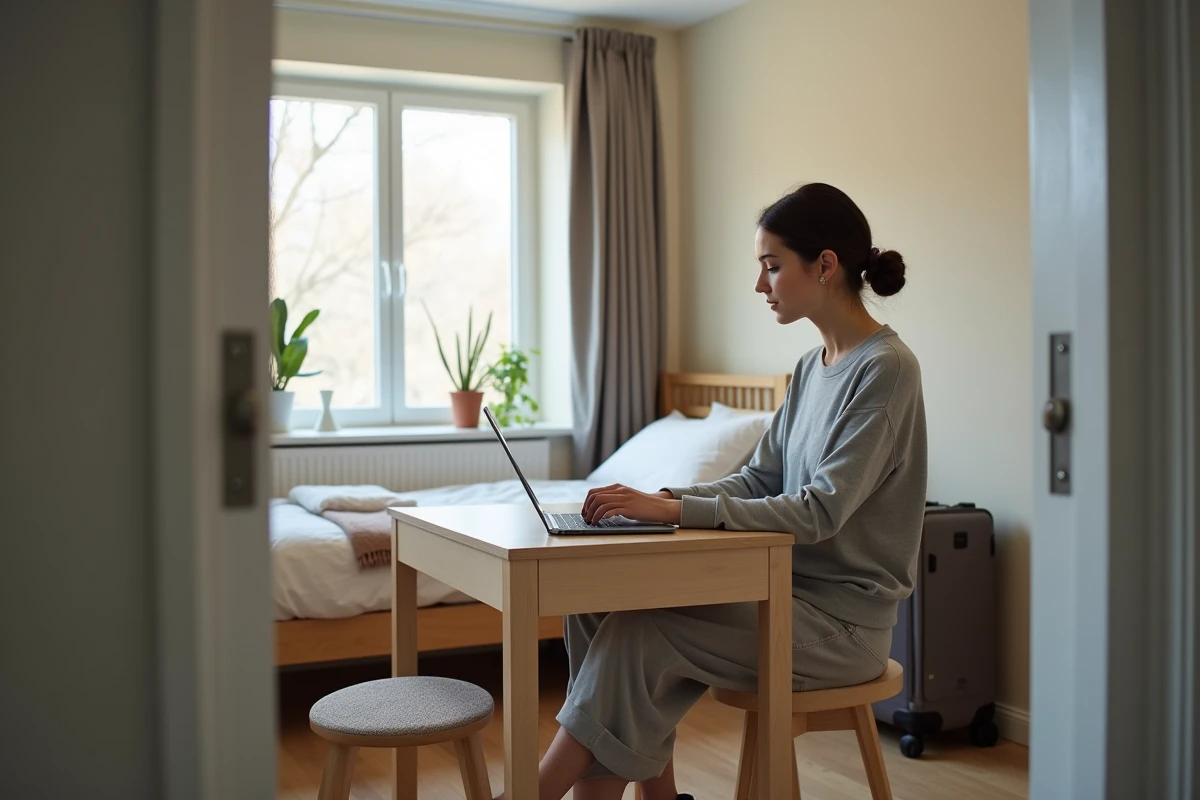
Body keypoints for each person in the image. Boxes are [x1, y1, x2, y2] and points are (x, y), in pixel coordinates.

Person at [509, 183, 928, 800]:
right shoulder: (813, 369)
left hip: (840, 626)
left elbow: (819, 511)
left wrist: (674, 509)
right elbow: (759, 478)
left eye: (771, 266)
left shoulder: (887, 370)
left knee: (641, 635)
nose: (761, 285)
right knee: (596, 602)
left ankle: (530, 795)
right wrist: (658, 501)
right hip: (775, 595)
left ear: (825, 265)